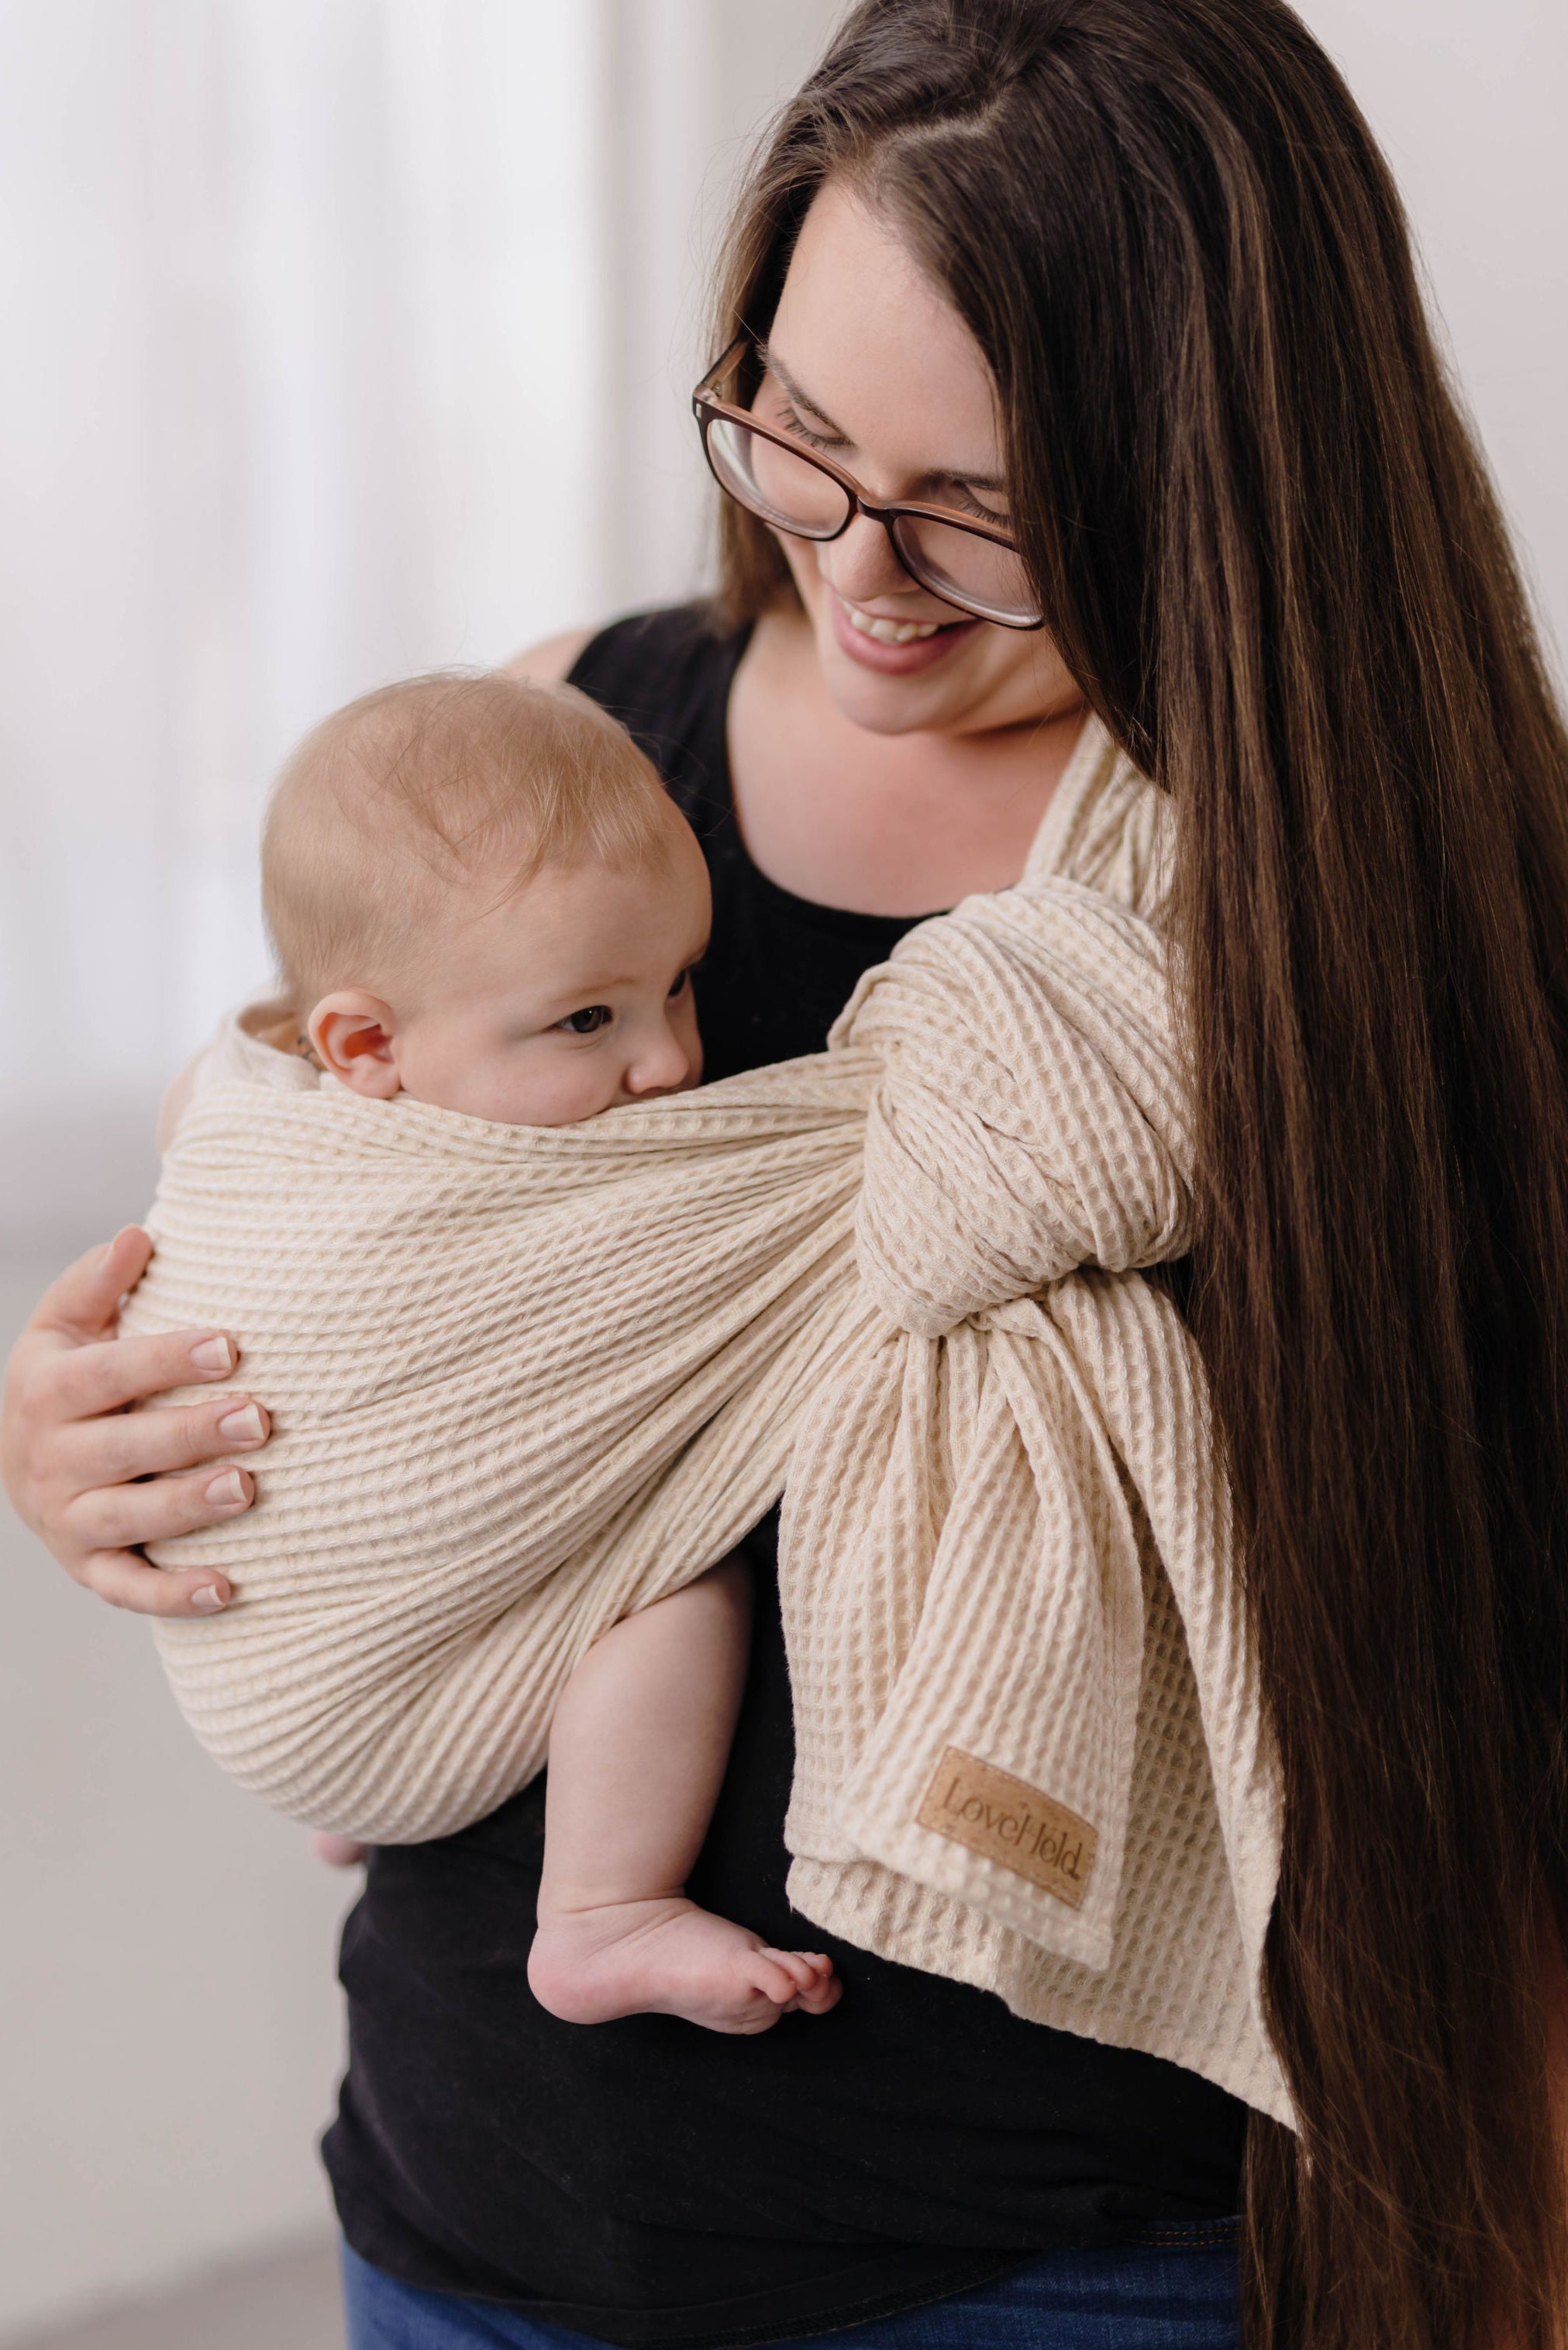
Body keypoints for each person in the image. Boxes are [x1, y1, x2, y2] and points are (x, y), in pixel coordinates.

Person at [7, 2, 1568, 2345]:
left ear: (1225, 477)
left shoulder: (1372, 908)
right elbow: (328, 1231)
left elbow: (1514, 1662)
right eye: (803, 438)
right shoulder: (566, 747)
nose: (865, 570)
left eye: (986, 509)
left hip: (1074, 2266)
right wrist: (89, 1442)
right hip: (466, 2219)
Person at [167, 665, 842, 2037]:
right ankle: (601, 1909)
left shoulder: (298, 1071)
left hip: (310, 1707)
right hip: (306, 1659)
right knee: (678, 1575)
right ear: (362, 1043)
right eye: (590, 1020)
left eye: (677, 987)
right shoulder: (313, 1156)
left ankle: (410, 1705)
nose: (668, 1065)